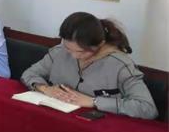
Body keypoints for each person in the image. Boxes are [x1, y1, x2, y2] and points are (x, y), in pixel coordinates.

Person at [21, 12, 157, 119]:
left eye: (82, 51)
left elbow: (147, 108)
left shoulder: (120, 65)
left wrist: (94, 102)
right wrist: (45, 88)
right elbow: (30, 73)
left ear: (100, 44)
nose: (74, 56)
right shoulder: (59, 52)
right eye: (68, 48)